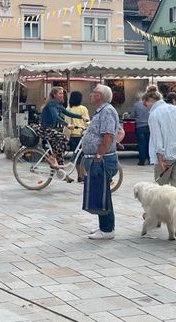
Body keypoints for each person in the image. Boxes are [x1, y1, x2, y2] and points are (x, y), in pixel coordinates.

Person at [81, 85, 122, 240]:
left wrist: (99, 154)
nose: (90, 95)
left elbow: (108, 136)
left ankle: (107, 229)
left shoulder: (107, 111)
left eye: (93, 93)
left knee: (103, 193)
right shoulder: (102, 111)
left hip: (103, 159)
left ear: (99, 96)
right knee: (99, 192)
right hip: (98, 158)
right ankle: (103, 226)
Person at [146, 88, 176, 189]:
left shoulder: (154, 115)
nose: (146, 107)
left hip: (165, 157)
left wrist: (160, 159)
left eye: (145, 104)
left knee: (161, 190)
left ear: (150, 100)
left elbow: (157, 139)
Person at [39, 87, 83, 167]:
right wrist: (67, 125)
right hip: (44, 129)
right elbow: (55, 117)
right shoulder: (51, 103)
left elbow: (68, 113)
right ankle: (52, 157)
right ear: (54, 95)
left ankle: (63, 173)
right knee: (63, 138)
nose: (62, 95)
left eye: (62, 93)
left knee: (61, 149)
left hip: (50, 129)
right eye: (60, 93)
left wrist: (81, 117)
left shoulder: (58, 104)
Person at [131, 92, 151, 166]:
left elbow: (132, 115)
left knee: (141, 144)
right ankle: (150, 159)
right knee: (149, 143)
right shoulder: (148, 104)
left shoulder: (136, 105)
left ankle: (142, 161)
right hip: (148, 126)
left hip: (139, 126)